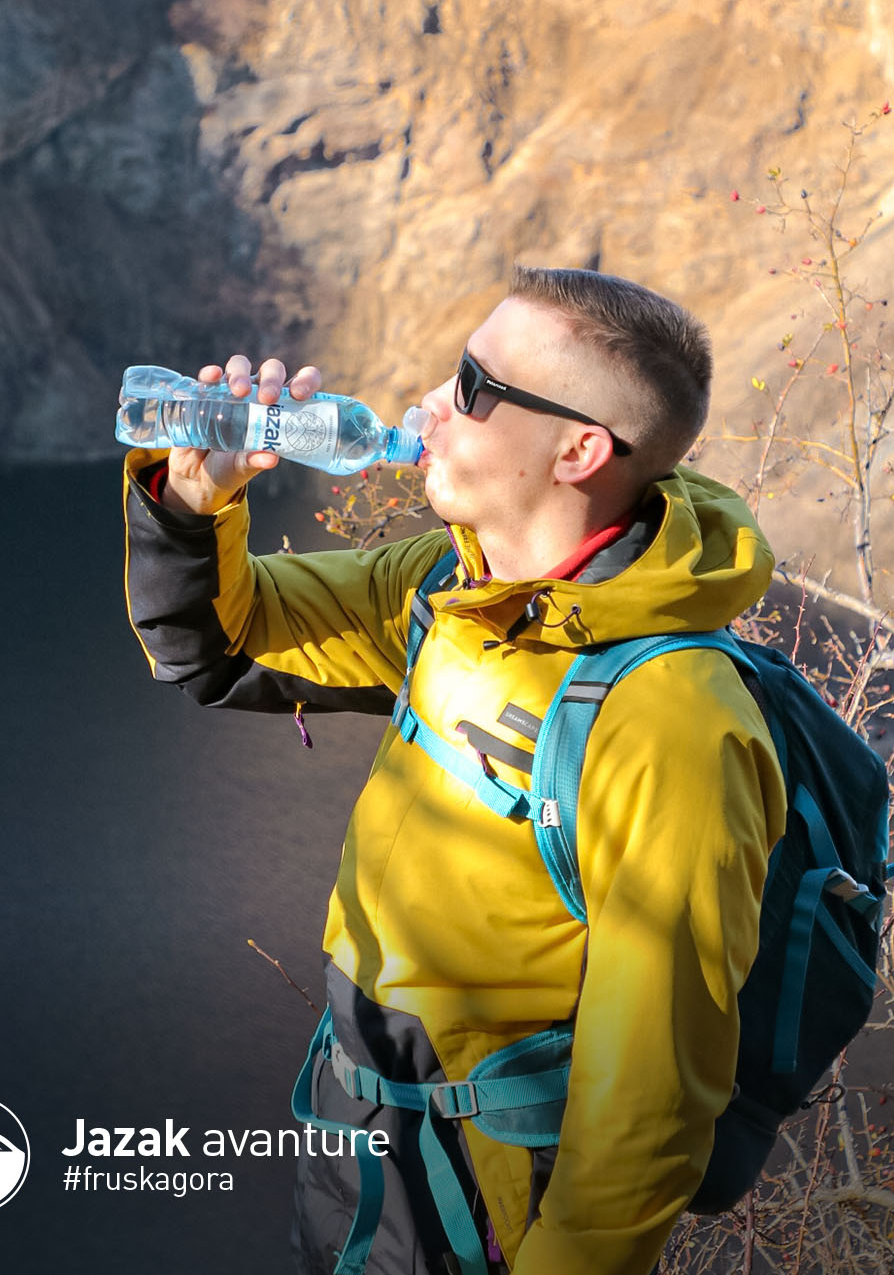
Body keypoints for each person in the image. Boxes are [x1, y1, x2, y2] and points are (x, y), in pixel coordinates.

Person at [123, 266, 787, 1275]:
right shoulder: (456, 587)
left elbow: (648, 1108)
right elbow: (220, 645)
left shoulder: (674, 725)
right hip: (364, 1137)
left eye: (474, 387)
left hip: (485, 1195)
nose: (430, 404)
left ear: (580, 448)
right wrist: (191, 501)